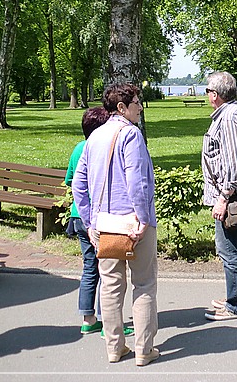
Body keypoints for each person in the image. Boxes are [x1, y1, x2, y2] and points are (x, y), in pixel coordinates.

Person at [72, 83, 159, 366]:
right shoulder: (131, 134)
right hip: (134, 224)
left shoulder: (94, 137)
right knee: (144, 284)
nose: (140, 107)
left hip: (105, 225)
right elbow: (137, 180)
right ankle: (143, 349)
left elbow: (78, 184)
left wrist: (89, 221)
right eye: (136, 102)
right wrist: (143, 218)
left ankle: (114, 348)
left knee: (110, 286)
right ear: (121, 107)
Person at [65, 107, 133, 338]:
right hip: (101, 218)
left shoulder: (79, 148)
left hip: (78, 215)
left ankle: (87, 319)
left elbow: (71, 180)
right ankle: (109, 324)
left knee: (89, 268)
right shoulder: (103, 146)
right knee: (109, 272)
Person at [202, 71, 237, 321]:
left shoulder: (229, 118)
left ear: (214, 95)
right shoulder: (236, 113)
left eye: (207, 91)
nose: (206, 95)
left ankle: (235, 305)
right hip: (235, 193)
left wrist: (223, 198)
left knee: (230, 252)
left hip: (231, 196)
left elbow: (234, 164)